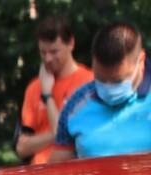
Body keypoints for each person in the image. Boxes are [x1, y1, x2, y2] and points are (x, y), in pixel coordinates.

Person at [51, 21, 151, 161]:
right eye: (101, 79)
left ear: (140, 61)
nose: (108, 87)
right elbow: (56, 169)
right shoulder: (75, 105)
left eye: (118, 81)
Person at [15, 16, 93, 164]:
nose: (48, 58)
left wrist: (47, 95)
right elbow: (22, 147)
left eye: (54, 51)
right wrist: (56, 134)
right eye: (43, 53)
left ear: (70, 43)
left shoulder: (89, 83)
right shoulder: (34, 87)